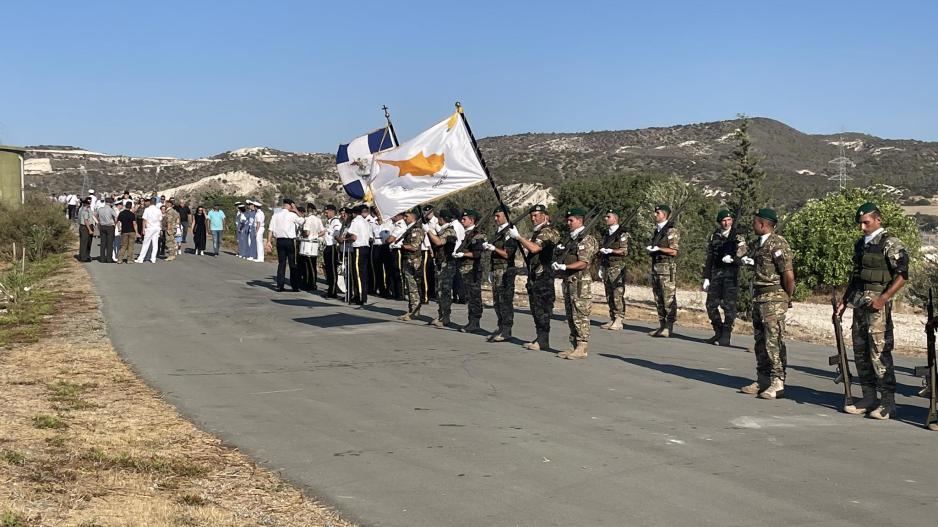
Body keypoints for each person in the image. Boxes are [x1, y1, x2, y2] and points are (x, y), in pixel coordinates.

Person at [835, 202, 909, 419]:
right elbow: (856, 277)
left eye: (866, 222)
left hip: (878, 307)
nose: (862, 227)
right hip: (859, 304)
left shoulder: (891, 243)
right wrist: (844, 301)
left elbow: (903, 275)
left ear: (878, 220)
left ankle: (888, 402)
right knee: (861, 352)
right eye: (860, 223)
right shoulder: (861, 245)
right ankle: (868, 396)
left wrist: (883, 298)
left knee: (879, 352)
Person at [739, 208, 795, 400]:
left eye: (755, 222)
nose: (753, 225)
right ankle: (762, 379)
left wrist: (786, 298)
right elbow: (745, 255)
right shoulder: (758, 244)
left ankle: (777, 381)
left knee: (774, 341)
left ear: (762, 224)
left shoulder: (778, 244)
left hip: (774, 298)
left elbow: (788, 275)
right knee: (760, 342)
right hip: (759, 298)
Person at [551, 207, 599, 359]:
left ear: (580, 220)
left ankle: (582, 346)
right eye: (568, 220)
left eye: (571, 220)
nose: (568, 222)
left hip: (580, 282)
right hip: (568, 281)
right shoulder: (571, 239)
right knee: (570, 314)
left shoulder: (586, 239)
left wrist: (566, 266)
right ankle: (574, 345)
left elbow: (583, 263)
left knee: (580, 314)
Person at [510, 204, 559, 351]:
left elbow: (535, 248)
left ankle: (543, 340)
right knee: (536, 308)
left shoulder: (547, 232)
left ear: (545, 216)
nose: (533, 218)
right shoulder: (538, 232)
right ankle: (540, 338)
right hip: (536, 276)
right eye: (532, 216)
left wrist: (519, 237)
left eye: (536, 215)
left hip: (544, 276)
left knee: (542, 309)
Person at [702, 209, 748, 346]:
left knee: (729, 306)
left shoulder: (737, 235)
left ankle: (726, 335)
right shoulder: (714, 236)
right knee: (710, 304)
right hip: (716, 273)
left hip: (730, 274)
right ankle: (718, 331)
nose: (726, 223)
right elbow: (710, 257)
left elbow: (743, 249)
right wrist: (706, 277)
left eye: (729, 220)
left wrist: (734, 258)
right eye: (723, 220)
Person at [482, 206, 519, 342]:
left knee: (505, 302)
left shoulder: (510, 232)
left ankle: (507, 330)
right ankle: (501, 326)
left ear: (506, 216)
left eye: (498, 216)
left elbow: (508, 254)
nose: (496, 218)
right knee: (497, 301)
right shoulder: (498, 232)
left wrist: (494, 248)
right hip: (496, 269)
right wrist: (491, 270)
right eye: (495, 216)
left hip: (505, 270)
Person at [647, 204, 680, 338]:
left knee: (668, 298)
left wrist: (659, 249)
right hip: (656, 267)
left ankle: (669, 326)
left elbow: (673, 251)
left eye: (658, 213)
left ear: (664, 215)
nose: (655, 215)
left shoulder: (671, 231)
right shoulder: (657, 231)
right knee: (658, 298)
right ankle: (662, 325)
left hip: (667, 269)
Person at [598, 208, 631, 331]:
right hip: (607, 265)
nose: (605, 219)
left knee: (617, 293)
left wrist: (612, 251)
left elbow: (624, 251)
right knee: (609, 294)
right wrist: (601, 265)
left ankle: (619, 319)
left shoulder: (622, 234)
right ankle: (612, 317)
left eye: (608, 217)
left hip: (617, 266)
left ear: (615, 218)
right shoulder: (607, 233)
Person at [427, 209, 459, 328]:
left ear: (442, 219)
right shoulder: (444, 230)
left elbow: (439, 242)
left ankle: (445, 317)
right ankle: (441, 315)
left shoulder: (450, 231)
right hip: (441, 264)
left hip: (447, 265)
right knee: (439, 291)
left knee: (444, 292)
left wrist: (429, 231)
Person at [266, 198, 305, 292]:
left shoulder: (276, 215)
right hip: (289, 241)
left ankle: (280, 285)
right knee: (292, 264)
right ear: (291, 205)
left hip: (279, 241)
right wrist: (295, 210)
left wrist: (268, 241)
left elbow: (270, 229)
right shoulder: (292, 215)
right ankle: (294, 286)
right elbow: (302, 221)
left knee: (281, 263)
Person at [398, 209, 425, 321]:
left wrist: (402, 245)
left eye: (406, 216)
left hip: (414, 261)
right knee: (410, 286)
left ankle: (414, 310)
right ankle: (412, 309)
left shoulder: (416, 229)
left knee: (414, 287)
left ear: (413, 217)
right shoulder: (410, 229)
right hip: (408, 259)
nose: (404, 218)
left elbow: (414, 246)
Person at [345, 205, 373, 304]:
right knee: (363, 273)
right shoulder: (366, 222)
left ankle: (360, 297)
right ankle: (360, 295)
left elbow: (354, 237)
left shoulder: (355, 221)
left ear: (354, 213)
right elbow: (370, 237)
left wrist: (346, 239)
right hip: (366, 247)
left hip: (358, 248)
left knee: (357, 273)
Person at [299, 203, 323, 290]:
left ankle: (308, 284)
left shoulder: (307, 219)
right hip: (314, 244)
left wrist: (303, 233)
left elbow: (307, 233)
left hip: (307, 244)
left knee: (306, 265)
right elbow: (323, 231)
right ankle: (313, 283)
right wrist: (316, 235)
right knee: (313, 264)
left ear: (308, 209)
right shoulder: (318, 219)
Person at [322, 205, 342, 298]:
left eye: (327, 212)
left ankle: (333, 291)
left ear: (332, 211)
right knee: (328, 270)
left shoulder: (335, 221)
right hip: (327, 246)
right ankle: (330, 290)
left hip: (333, 247)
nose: (326, 214)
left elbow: (337, 232)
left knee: (332, 270)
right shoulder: (329, 222)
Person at [136, 198, 163, 263]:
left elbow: (144, 219)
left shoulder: (147, 209)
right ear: (155, 202)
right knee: (155, 243)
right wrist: (160, 228)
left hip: (150, 228)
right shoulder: (158, 210)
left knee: (146, 243)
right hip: (156, 228)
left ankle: (141, 258)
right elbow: (160, 220)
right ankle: (153, 258)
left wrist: (143, 229)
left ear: (150, 202)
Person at [94, 197, 117, 263]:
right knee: (109, 243)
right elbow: (116, 217)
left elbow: (95, 215)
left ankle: (102, 258)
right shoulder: (111, 209)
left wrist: (98, 222)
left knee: (103, 243)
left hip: (102, 226)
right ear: (110, 203)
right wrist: (114, 224)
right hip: (110, 226)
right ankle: (109, 259)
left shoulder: (100, 209)